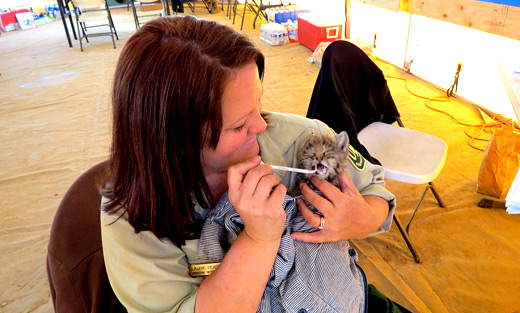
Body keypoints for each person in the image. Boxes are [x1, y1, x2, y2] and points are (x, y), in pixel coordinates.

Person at [101, 15, 410, 313]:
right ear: (173, 138)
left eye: (258, 103)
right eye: (238, 126)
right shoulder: (135, 213)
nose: (261, 126)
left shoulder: (305, 138)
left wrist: (362, 219)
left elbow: (373, 188)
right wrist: (259, 237)